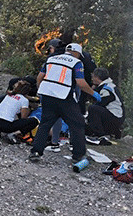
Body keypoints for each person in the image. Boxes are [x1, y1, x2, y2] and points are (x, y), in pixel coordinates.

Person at [28, 43, 101, 171]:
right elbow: (81, 83)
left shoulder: (51, 59)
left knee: (45, 123)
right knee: (77, 123)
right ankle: (78, 155)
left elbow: (40, 77)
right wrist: (93, 93)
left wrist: (41, 89)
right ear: (77, 53)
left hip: (47, 95)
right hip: (63, 96)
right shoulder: (76, 63)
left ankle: (36, 152)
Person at [85, 67, 125, 143]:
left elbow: (101, 104)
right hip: (114, 117)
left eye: (93, 77)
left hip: (115, 118)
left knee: (93, 109)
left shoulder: (106, 88)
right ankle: (112, 132)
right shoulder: (108, 85)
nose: (92, 79)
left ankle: (100, 136)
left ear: (97, 77)